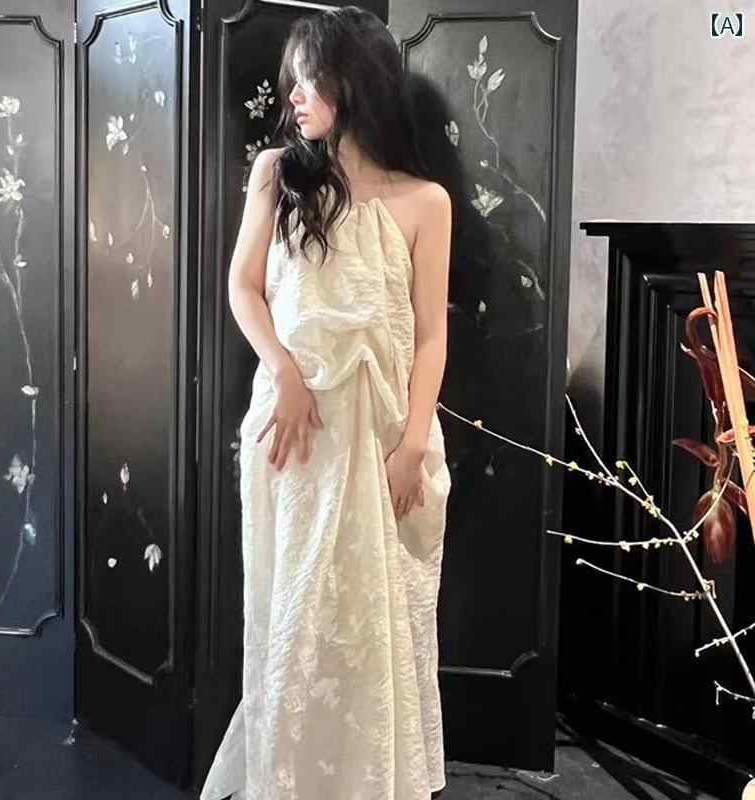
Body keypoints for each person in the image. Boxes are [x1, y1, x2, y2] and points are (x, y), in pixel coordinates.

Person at [200, 6, 452, 799]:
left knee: (374, 621)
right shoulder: (278, 174)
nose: (293, 97)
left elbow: (431, 338)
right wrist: (282, 370)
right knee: (297, 616)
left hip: (384, 440)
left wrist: (413, 444)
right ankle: (290, 780)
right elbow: (243, 287)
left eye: (309, 80)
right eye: (293, 82)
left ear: (355, 82)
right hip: (298, 437)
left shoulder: (425, 202)